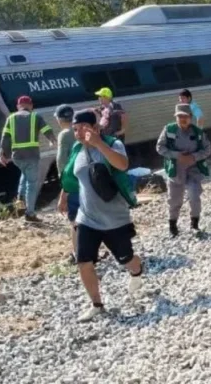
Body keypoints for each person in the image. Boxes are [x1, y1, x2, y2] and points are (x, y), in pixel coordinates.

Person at [62, 109, 145, 322]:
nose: (79, 133)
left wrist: (99, 143)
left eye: (83, 128)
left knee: (127, 259)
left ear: (96, 128)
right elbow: (72, 175)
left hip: (115, 218)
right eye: (75, 129)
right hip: (87, 218)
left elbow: (122, 165)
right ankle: (96, 305)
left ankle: (136, 271)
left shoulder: (112, 144)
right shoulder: (77, 149)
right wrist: (63, 195)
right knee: (83, 262)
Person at [156, 104, 211, 238]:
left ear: (190, 117)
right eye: (179, 116)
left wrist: (194, 157)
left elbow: (207, 149)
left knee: (194, 196)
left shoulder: (198, 132)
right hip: (175, 169)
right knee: (174, 199)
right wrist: (177, 155)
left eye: (185, 116)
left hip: (193, 169)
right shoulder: (169, 130)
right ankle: (173, 226)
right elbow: (160, 147)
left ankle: (194, 225)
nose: (182, 119)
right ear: (176, 117)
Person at [0, 95, 56, 222]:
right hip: (31, 155)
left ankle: (20, 199)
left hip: (17, 157)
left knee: (24, 174)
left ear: (18, 106)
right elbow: (47, 129)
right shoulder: (35, 117)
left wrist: (2, 154)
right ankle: (30, 213)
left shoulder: (11, 118)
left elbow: (5, 137)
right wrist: (52, 140)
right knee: (32, 184)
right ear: (31, 105)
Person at [54, 105, 78, 262]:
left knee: (75, 220)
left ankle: (78, 254)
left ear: (59, 119)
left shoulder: (64, 134)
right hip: (87, 180)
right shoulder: (80, 129)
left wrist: (64, 189)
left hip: (73, 182)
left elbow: (62, 162)